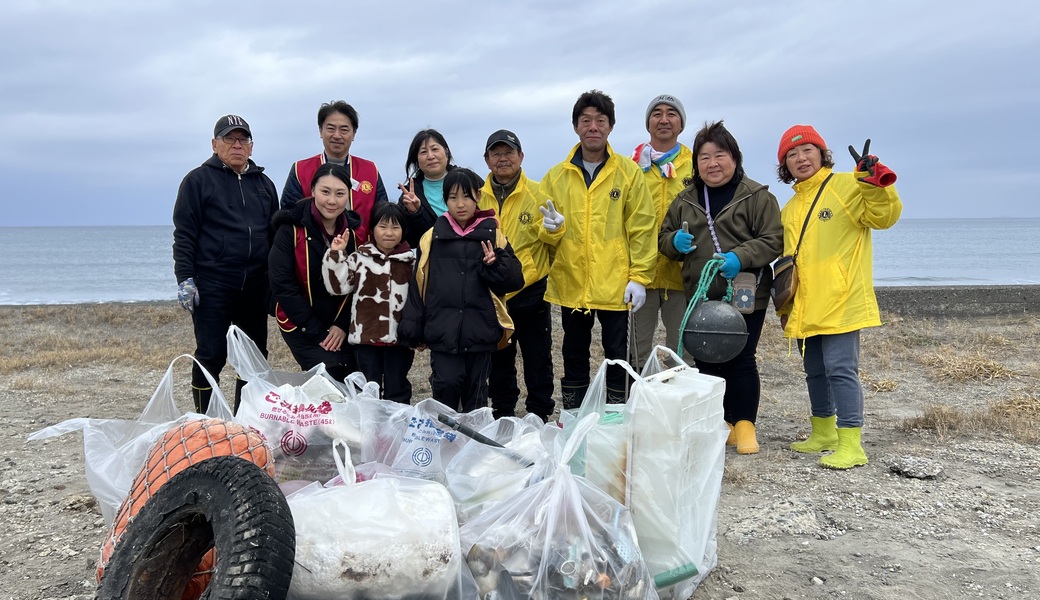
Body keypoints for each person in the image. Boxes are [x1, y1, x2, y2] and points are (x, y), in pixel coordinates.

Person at [775, 125, 901, 469]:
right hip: (807, 303)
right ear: (785, 165)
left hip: (842, 298)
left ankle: (851, 444)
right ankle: (824, 433)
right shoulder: (790, 208)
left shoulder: (847, 185)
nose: (801, 158)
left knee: (841, 370)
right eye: (792, 154)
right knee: (814, 371)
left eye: (808, 150)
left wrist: (874, 182)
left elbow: (883, 216)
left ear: (821, 153)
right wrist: (787, 306)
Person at [659, 121, 783, 454]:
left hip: (746, 293)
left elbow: (773, 240)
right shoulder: (685, 200)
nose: (713, 163)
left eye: (720, 155)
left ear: (734, 157)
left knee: (742, 359)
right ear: (696, 163)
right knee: (707, 362)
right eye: (704, 157)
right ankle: (720, 423)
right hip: (700, 293)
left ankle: (745, 425)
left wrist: (741, 257)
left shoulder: (757, 197)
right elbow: (663, 239)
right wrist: (674, 241)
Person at [539, 90, 657, 408]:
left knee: (618, 355)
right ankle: (575, 417)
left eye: (600, 121)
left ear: (610, 127)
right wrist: (551, 229)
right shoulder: (555, 176)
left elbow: (643, 228)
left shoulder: (628, 173)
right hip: (572, 282)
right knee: (573, 353)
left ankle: (618, 416)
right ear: (576, 126)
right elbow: (545, 234)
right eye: (586, 120)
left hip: (616, 284)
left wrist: (640, 276)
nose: (593, 127)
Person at [173, 114, 278, 414]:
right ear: (214, 144)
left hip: (255, 287)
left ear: (251, 146)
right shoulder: (197, 181)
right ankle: (206, 421)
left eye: (242, 139)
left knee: (254, 358)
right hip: (212, 285)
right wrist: (185, 278)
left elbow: (274, 238)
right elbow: (185, 234)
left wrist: (275, 284)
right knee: (210, 355)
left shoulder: (264, 184)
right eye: (229, 138)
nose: (236, 144)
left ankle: (245, 421)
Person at [399, 168, 524, 413]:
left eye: (466, 196)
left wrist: (495, 264)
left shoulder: (493, 235)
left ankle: (472, 448)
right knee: (445, 384)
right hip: (443, 330)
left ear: (477, 196)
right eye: (453, 197)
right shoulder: (432, 236)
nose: (460, 204)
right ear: (445, 200)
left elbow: (514, 280)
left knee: (476, 394)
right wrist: (413, 329)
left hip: (480, 331)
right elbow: (419, 285)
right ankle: (445, 443)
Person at [478, 130, 555, 421]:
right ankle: (504, 413)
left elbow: (553, 239)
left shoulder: (538, 193)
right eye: (496, 153)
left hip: (531, 289)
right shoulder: (477, 195)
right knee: (499, 356)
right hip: (494, 292)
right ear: (487, 160)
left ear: (521, 157)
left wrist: (554, 229)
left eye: (509, 152)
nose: (503, 159)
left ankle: (539, 412)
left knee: (537, 355)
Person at [269, 163, 362, 381]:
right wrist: (316, 330)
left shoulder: (355, 233)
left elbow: (359, 284)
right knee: (331, 374)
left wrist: (341, 325)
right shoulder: (290, 229)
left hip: (340, 321)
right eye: (325, 192)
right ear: (312, 191)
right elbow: (282, 284)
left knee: (360, 374)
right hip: (301, 321)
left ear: (347, 196)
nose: (332, 201)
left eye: (340, 194)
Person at [322, 201, 416, 404]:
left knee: (397, 386)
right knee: (367, 388)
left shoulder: (410, 262)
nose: (389, 233)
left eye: (395, 227)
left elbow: (418, 299)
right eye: (383, 226)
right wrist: (337, 254)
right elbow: (337, 287)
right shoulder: (360, 258)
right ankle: (370, 429)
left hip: (399, 339)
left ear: (403, 230)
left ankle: (396, 428)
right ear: (372, 229)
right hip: (366, 338)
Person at [629, 94, 694, 367]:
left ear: (681, 124)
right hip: (640, 275)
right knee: (636, 352)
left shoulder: (697, 164)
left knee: (685, 354)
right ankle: (640, 404)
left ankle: (682, 408)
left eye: (672, 113)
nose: (664, 119)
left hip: (683, 275)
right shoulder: (630, 166)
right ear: (648, 124)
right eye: (657, 113)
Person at [281, 101, 388, 242]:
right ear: (321, 131)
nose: (337, 135)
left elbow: (383, 217)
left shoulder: (370, 170)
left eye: (344, 130)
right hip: (313, 256)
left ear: (354, 134)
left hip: (361, 256)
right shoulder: (300, 170)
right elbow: (288, 217)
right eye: (331, 128)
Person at [397, 129, 456, 247]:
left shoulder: (468, 181)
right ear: (416, 160)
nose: (430, 156)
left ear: (446, 152)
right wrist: (415, 213)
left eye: (435, 149)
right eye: (423, 152)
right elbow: (410, 241)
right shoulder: (409, 196)